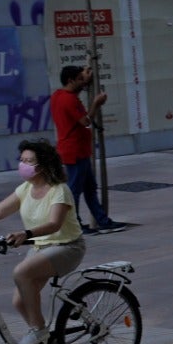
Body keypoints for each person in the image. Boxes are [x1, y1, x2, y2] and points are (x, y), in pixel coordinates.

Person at [0, 139, 84, 344]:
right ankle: (45, 343)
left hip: (67, 247)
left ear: (43, 165)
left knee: (21, 273)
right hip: (40, 248)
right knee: (19, 302)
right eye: (22, 160)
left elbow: (54, 224)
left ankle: (38, 330)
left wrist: (26, 233)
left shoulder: (59, 190)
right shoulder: (25, 188)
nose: (23, 165)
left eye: (29, 161)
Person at [49, 65, 124, 235]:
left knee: (89, 188)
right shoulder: (70, 100)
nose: (84, 82)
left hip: (76, 150)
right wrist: (96, 104)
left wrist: (84, 77)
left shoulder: (58, 95)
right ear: (70, 80)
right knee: (74, 190)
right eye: (80, 79)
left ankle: (102, 221)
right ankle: (75, 224)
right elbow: (85, 121)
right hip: (75, 151)